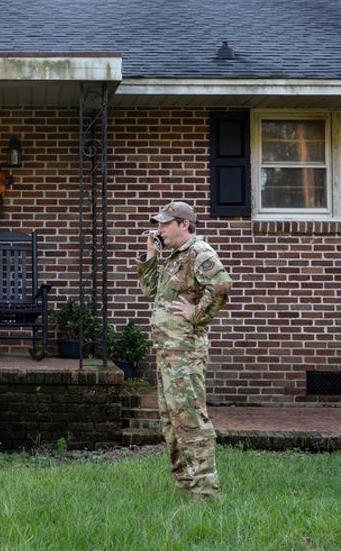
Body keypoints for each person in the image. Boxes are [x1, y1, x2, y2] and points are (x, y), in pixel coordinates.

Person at [136, 201, 232, 500]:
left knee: (190, 419)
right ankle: (185, 485)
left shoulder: (199, 252)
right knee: (171, 421)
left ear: (184, 224)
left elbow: (221, 285)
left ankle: (205, 492)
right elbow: (150, 291)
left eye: (165, 223)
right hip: (167, 351)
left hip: (185, 353)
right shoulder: (175, 256)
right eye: (159, 224)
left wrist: (196, 314)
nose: (159, 229)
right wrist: (152, 254)